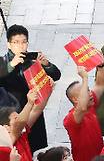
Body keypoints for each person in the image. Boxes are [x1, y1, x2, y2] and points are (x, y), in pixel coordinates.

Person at [0, 24, 61, 152]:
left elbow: (56, 75)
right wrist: (11, 64)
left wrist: (46, 64)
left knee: (30, 148)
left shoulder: (31, 61)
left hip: (34, 112)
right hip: (13, 116)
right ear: (9, 44)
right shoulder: (3, 62)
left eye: (24, 42)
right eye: (16, 42)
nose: (20, 46)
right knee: (15, 149)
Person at [63, 65, 104, 161]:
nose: (91, 93)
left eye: (88, 89)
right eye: (86, 91)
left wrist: (101, 66)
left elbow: (101, 84)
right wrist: (85, 78)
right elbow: (81, 107)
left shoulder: (90, 107)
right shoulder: (70, 119)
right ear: (75, 99)